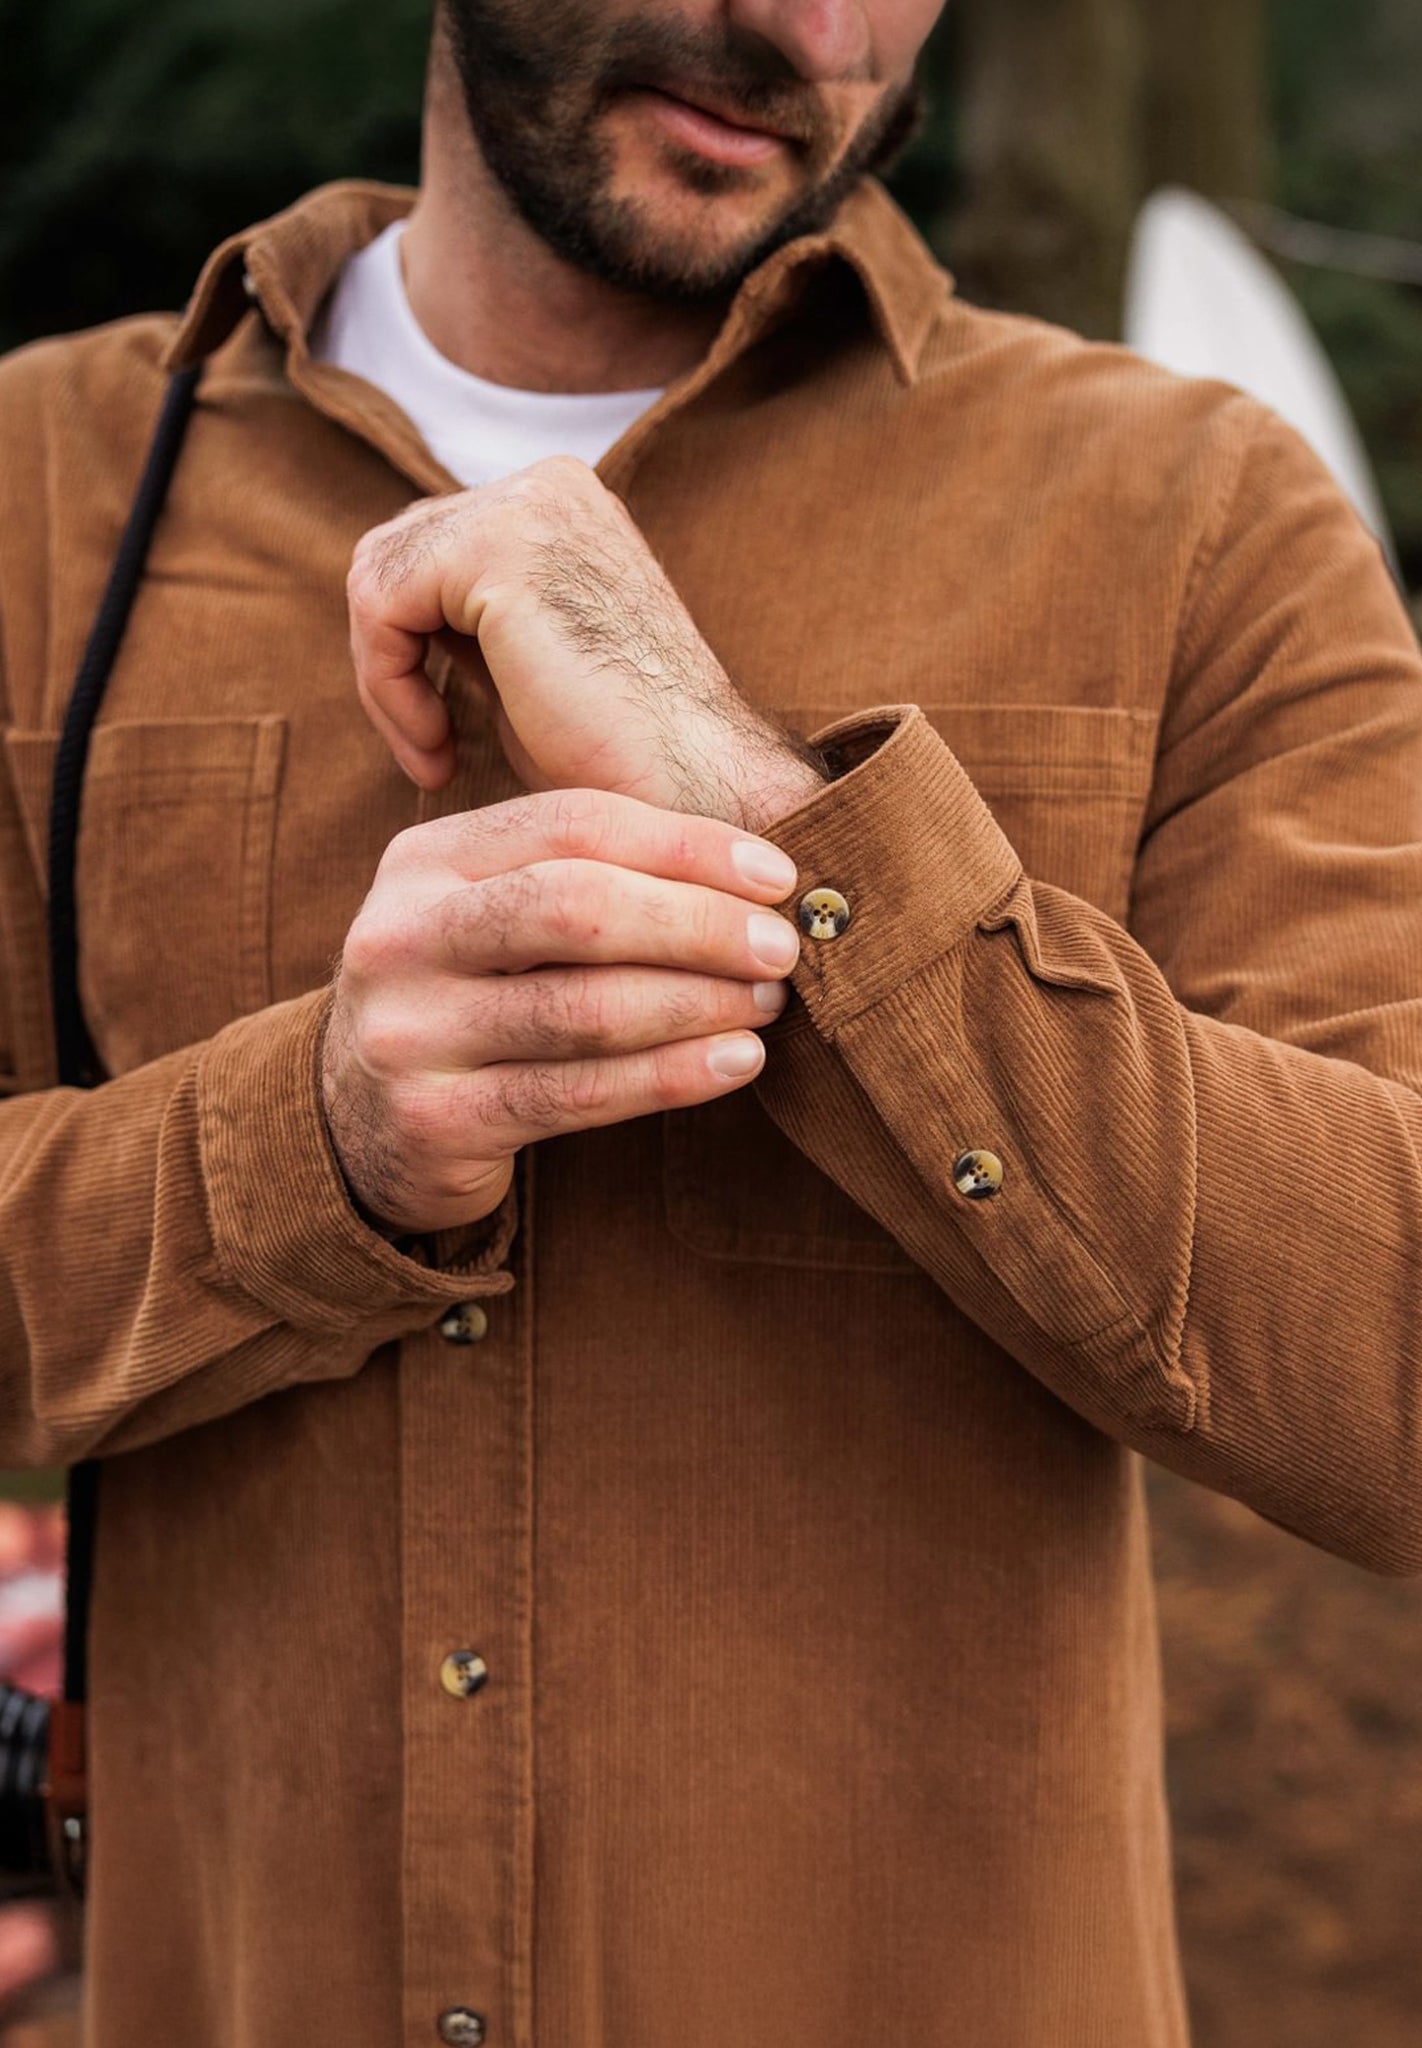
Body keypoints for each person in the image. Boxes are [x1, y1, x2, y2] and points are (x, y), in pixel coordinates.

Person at [0, 2, 1418, 2043]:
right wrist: (302, 1148)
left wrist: (764, 808)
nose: (811, 27)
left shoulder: (1199, 518)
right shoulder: (40, 497)